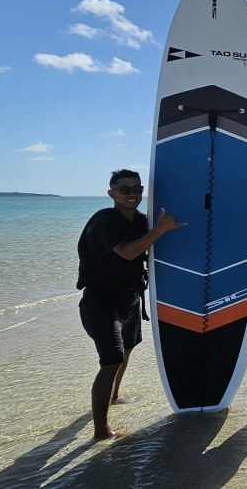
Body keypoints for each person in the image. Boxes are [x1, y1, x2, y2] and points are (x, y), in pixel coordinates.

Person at [77, 169, 185, 440]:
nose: (133, 194)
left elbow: (152, 248)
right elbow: (128, 252)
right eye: (125, 189)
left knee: (126, 351)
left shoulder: (140, 221)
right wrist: (159, 229)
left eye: (137, 189)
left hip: (129, 298)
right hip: (101, 302)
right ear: (111, 193)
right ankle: (101, 431)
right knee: (111, 360)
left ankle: (113, 397)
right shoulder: (104, 222)